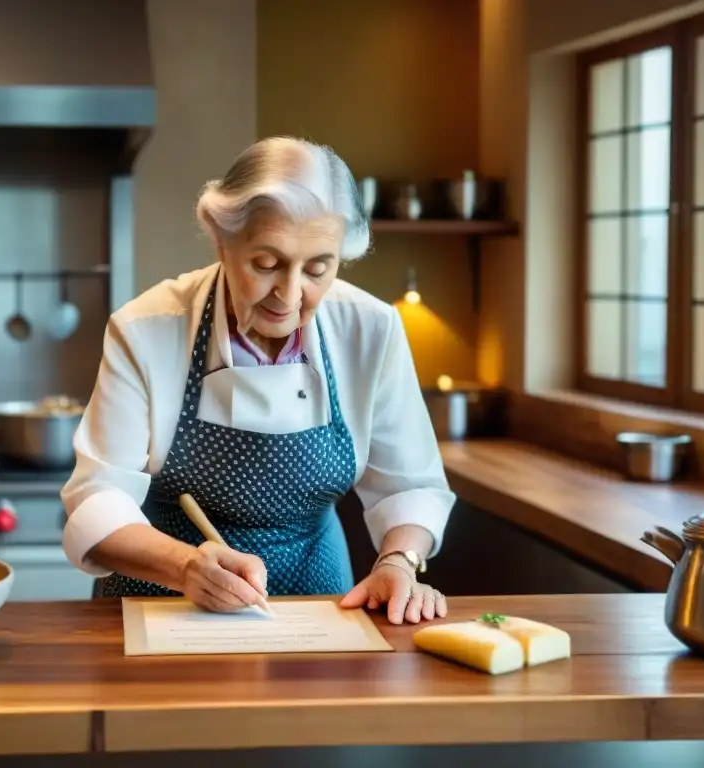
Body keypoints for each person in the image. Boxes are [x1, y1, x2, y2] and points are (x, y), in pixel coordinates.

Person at [60, 136, 456, 625]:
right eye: (266, 264)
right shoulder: (148, 328)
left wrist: (399, 562)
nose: (289, 296)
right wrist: (185, 566)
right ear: (220, 239)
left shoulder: (370, 328)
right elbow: (97, 497)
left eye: (317, 269)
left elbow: (408, 486)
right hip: (163, 600)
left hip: (318, 603)